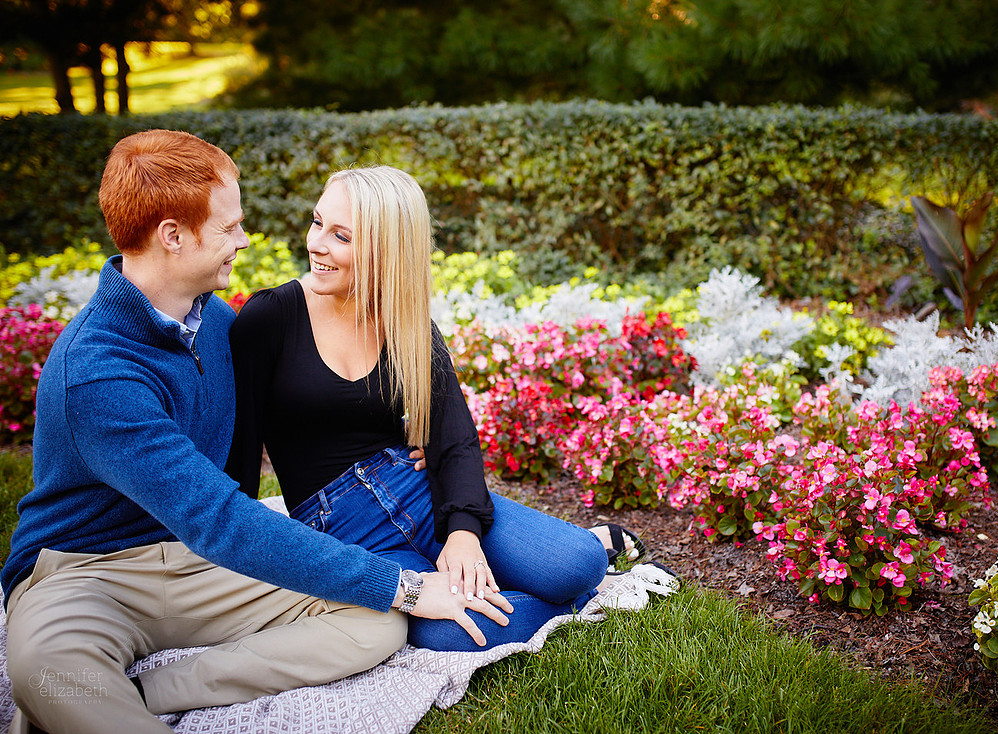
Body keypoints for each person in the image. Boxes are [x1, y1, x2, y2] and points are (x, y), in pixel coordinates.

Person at [0, 132, 500, 734]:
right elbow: (221, 518)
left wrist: (396, 443)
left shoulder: (217, 323)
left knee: (376, 619)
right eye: (230, 227)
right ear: (173, 235)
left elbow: (294, 419)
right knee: (46, 674)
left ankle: (157, 688)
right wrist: (411, 587)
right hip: (87, 575)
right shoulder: (97, 373)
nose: (245, 239)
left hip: (199, 564)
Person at [227, 165, 651, 652]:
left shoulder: (406, 323)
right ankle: (575, 604)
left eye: (340, 236)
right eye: (317, 222)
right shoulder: (269, 317)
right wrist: (235, 555)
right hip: (340, 530)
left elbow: (454, 437)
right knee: (447, 632)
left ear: (385, 249)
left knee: (577, 563)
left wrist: (464, 533)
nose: (316, 243)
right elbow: (240, 452)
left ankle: (566, 580)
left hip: (422, 491)